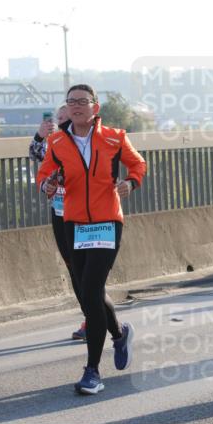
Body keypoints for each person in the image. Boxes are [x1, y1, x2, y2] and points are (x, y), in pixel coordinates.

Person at [36, 84, 146, 395]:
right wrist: (46, 185)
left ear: (95, 107)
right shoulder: (56, 141)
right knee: (87, 295)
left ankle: (92, 371)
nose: (76, 107)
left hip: (107, 223)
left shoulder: (114, 137)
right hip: (74, 225)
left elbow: (138, 164)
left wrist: (130, 182)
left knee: (93, 289)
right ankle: (119, 332)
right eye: (71, 102)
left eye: (83, 101)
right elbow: (43, 174)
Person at [29, 104, 87, 341]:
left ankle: (98, 318)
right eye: (58, 118)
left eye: (65, 117)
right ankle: (90, 317)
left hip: (84, 214)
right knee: (74, 269)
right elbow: (35, 153)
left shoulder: (85, 144)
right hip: (60, 213)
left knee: (87, 271)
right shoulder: (55, 144)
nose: (61, 121)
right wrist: (40, 135)